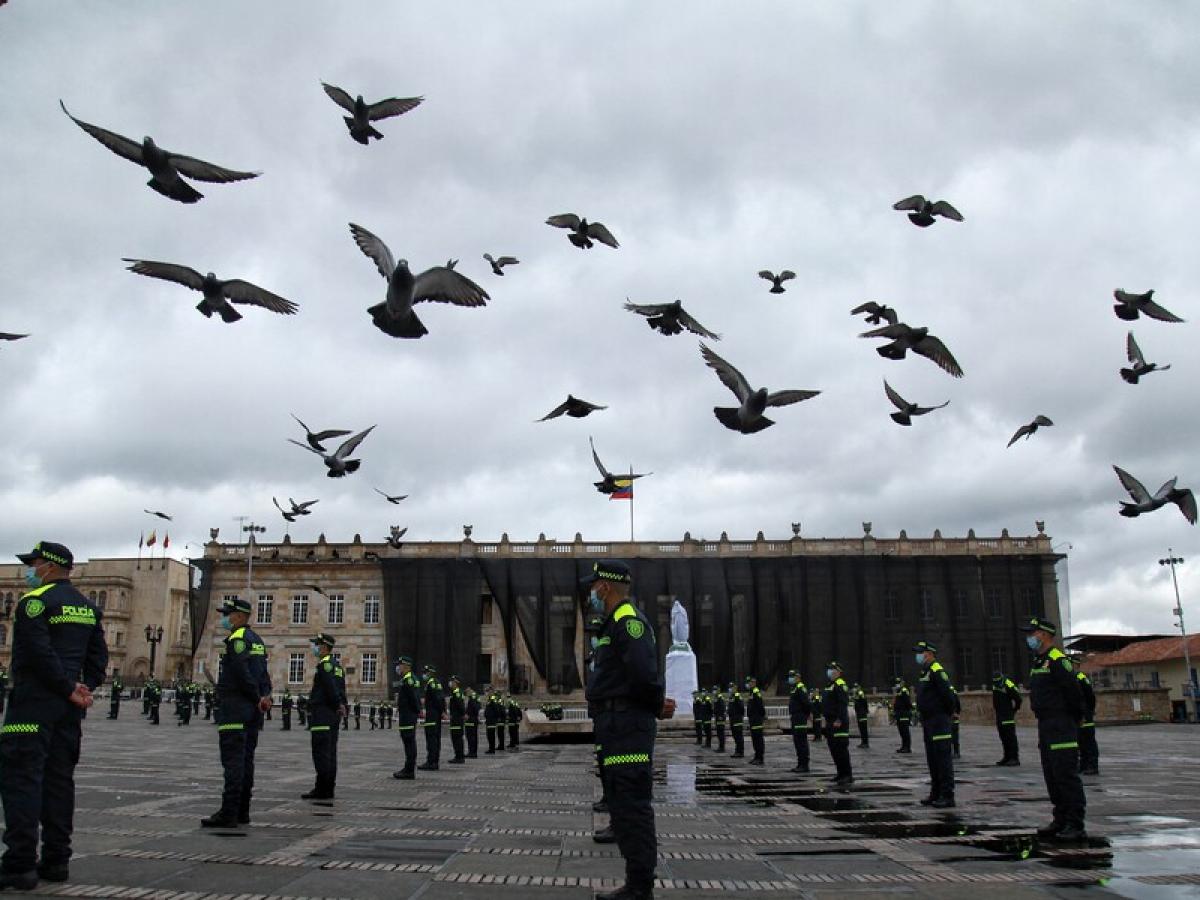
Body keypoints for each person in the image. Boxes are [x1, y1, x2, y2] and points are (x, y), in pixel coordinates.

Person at [0, 541, 107, 890]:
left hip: (33, 705)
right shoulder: (88, 608)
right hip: (68, 710)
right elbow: (97, 659)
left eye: (32, 564)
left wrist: (64, 687)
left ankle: (19, 864)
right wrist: (83, 688)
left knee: (22, 781)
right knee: (60, 782)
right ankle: (56, 860)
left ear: (48, 565)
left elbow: (37, 653)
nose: (29, 571)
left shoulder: (34, 602)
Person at [582, 560, 673, 900]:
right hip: (615, 725)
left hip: (627, 726)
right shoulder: (612, 624)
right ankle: (635, 883)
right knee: (622, 804)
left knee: (633, 806)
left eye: (593, 586)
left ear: (604, 587)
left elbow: (644, 673)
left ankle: (640, 887)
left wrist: (654, 704)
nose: (591, 591)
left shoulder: (627, 621)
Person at [202, 597, 271, 828]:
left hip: (236, 708)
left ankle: (229, 812)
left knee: (233, 761)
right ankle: (242, 810)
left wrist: (255, 696)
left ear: (240, 616)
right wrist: (264, 696)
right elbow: (263, 674)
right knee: (246, 761)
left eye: (228, 614)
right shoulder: (257, 640)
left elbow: (242, 674)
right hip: (253, 711)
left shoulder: (238, 639)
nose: (225, 618)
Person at [1020, 617, 1087, 841]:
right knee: (1052, 774)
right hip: (1046, 723)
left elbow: (1073, 693)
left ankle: (1075, 823)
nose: (1029, 637)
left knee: (1066, 774)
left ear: (1045, 635)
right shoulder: (1039, 661)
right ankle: (1060, 818)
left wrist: (1075, 719)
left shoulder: (1058, 660)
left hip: (1061, 723)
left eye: (1033, 633)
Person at [302, 633, 347, 800]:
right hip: (333, 715)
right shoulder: (336, 665)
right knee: (330, 752)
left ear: (324, 647)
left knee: (321, 753)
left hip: (323, 713)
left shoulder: (325, 665)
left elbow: (330, 689)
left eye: (317, 644)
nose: (314, 647)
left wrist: (337, 704)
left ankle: (323, 789)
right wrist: (342, 705)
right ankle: (327, 788)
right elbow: (342, 689)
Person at [914, 640, 956, 809]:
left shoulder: (937, 670)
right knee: (932, 758)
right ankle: (936, 792)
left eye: (920, 652)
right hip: (929, 720)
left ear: (929, 653)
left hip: (939, 720)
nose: (917, 655)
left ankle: (947, 795)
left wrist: (945, 713)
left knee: (943, 758)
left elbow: (948, 695)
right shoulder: (926, 671)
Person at [823, 662, 853, 785]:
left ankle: (847, 774)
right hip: (830, 721)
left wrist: (839, 719)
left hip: (838, 722)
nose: (830, 671)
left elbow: (842, 703)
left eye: (832, 669)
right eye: (829, 669)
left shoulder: (840, 684)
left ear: (839, 672)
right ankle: (840, 773)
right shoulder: (830, 685)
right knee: (834, 749)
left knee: (841, 749)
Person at [392, 656, 421, 779]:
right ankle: (408, 768)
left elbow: (414, 699)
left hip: (408, 715)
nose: (398, 667)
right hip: (408, 714)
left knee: (409, 741)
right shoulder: (409, 678)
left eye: (400, 665)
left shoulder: (408, 680)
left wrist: (417, 711)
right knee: (408, 742)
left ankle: (409, 770)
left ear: (406, 666)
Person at [992, 672, 1022, 766]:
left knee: (1010, 738)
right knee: (1003, 738)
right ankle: (1007, 757)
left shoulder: (1008, 683)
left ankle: (1014, 758)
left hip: (1007, 716)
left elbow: (1018, 698)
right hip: (1000, 715)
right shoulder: (995, 685)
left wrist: (1015, 709)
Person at [419, 666, 444, 770]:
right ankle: (434, 761)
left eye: (425, 672)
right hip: (436, 714)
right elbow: (441, 699)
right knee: (436, 739)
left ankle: (431, 762)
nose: (424, 674)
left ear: (429, 673)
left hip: (432, 715)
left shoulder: (431, 683)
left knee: (431, 739)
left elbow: (437, 699)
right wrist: (442, 711)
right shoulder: (437, 683)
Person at [787, 669, 811, 773]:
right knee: (797, 741)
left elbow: (806, 703)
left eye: (793, 676)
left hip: (800, 718)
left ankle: (804, 765)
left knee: (801, 742)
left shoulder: (801, 687)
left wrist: (806, 715)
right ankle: (800, 764)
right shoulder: (795, 688)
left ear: (798, 677)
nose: (791, 678)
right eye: (790, 676)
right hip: (795, 717)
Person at [1077, 670, 1099, 776]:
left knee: (1089, 741)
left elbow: (1090, 695)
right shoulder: (1070, 676)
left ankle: (1092, 765)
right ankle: (1083, 764)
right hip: (1077, 714)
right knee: (1080, 741)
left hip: (1085, 713)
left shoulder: (1081, 677)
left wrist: (1089, 710)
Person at [746, 676, 765, 765]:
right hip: (753, 719)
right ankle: (756, 756)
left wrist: (761, 716)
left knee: (758, 739)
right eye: (748, 682)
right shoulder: (751, 692)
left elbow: (760, 706)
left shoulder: (756, 692)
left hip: (757, 719)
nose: (748, 684)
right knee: (754, 739)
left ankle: (760, 758)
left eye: (750, 682)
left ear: (754, 683)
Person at [447, 676, 466, 763]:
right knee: (455, 738)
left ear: (456, 683)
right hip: (455, 718)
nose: (450, 683)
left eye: (452, 682)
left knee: (457, 738)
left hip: (457, 719)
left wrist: (462, 714)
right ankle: (458, 756)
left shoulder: (457, 692)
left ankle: (459, 757)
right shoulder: (455, 692)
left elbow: (460, 706)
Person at [892, 677, 913, 753]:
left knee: (905, 731)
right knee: (901, 731)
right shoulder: (899, 691)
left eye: (899, 682)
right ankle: (903, 746)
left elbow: (907, 702)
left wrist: (906, 710)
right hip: (899, 714)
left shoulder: (904, 690)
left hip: (904, 713)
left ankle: (907, 747)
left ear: (902, 683)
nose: (897, 684)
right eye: (896, 683)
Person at [727, 683, 745, 758]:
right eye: (730, 687)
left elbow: (741, 708)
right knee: (735, 736)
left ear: (735, 688)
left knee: (738, 736)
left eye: (732, 687)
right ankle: (737, 751)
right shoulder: (731, 697)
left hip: (737, 719)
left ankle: (740, 752)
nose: (730, 689)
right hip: (732, 719)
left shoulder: (737, 696)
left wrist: (738, 716)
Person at [484, 688, 502, 753]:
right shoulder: (490, 699)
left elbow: (496, 709)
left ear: (491, 692)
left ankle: (492, 749)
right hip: (489, 720)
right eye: (487, 692)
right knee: (489, 735)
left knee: (491, 736)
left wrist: (495, 718)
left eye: (488, 692)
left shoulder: (493, 699)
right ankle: (491, 748)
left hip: (491, 721)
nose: (487, 693)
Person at [853, 684, 870, 748]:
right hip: (859, 713)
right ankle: (863, 742)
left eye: (856, 687)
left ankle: (865, 743)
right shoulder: (856, 694)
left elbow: (864, 701)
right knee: (861, 729)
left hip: (862, 713)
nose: (855, 688)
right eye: (854, 687)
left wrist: (866, 710)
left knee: (863, 729)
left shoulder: (860, 692)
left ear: (859, 687)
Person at [465, 688, 480, 758]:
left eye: (467, 692)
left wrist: (468, 714)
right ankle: (471, 752)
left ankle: (472, 753)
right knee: (471, 737)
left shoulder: (472, 699)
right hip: (471, 721)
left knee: (472, 737)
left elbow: (475, 709)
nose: (467, 693)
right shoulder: (472, 699)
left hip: (471, 721)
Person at [711, 685, 727, 753]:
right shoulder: (716, 697)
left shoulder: (720, 697)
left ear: (718, 690)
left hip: (720, 717)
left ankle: (722, 748)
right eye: (713, 689)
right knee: (719, 733)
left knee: (721, 733)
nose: (714, 691)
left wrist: (721, 716)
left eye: (715, 689)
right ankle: (720, 747)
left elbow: (722, 707)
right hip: (717, 717)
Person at [950, 685, 962, 758]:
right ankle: (956, 752)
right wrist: (957, 713)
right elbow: (958, 704)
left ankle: (949, 752)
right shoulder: (953, 690)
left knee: (947, 737)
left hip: (947, 718)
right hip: (954, 717)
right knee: (955, 736)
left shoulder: (940, 689)